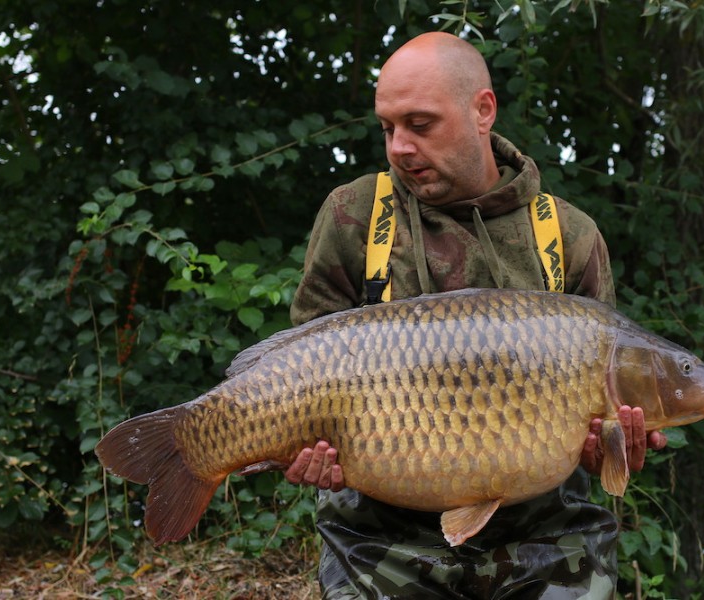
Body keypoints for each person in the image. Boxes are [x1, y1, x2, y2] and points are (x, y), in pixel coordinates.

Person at [285, 31, 666, 599]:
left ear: (483, 110)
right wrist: (303, 446)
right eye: (388, 128)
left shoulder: (567, 235)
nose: (399, 148)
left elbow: (601, 412)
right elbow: (299, 373)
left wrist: (606, 444)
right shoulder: (355, 215)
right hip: (380, 532)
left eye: (420, 125)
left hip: (545, 534)